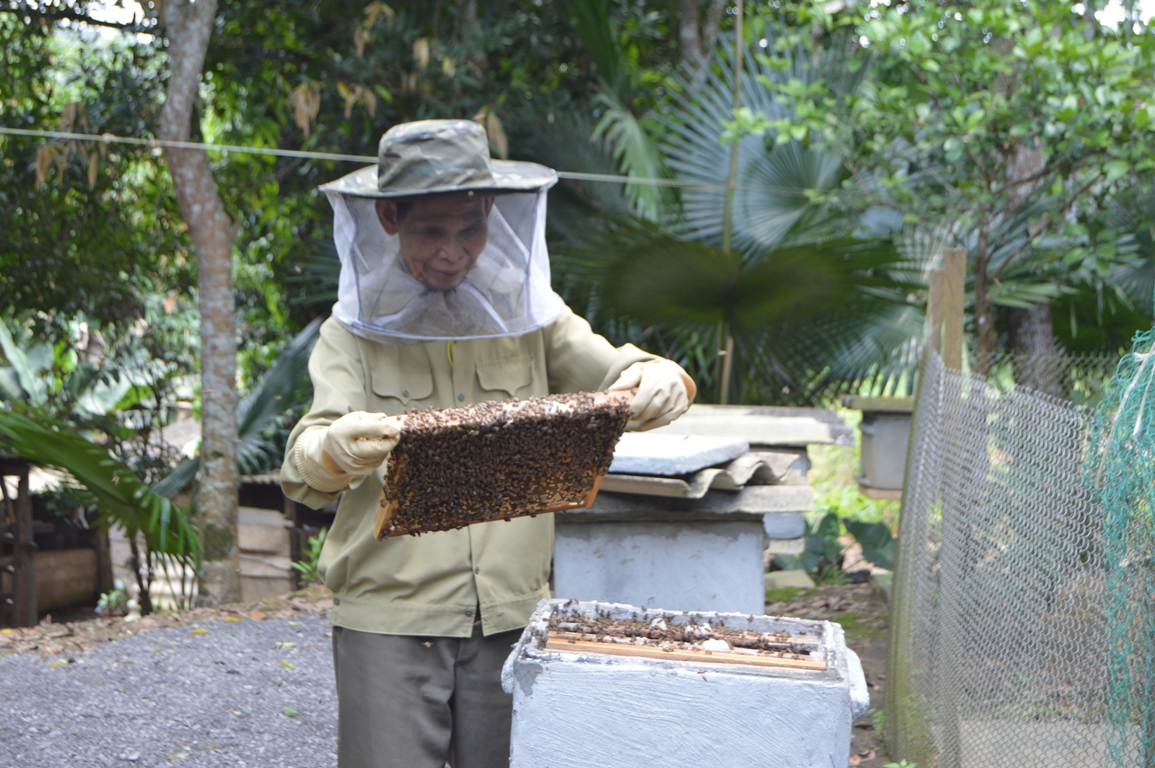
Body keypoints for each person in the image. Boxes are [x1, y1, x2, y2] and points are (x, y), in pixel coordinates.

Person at [279, 119, 695, 768]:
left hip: (511, 614)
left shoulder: (527, 310)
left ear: (493, 213)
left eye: (469, 228)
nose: (453, 250)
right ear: (388, 217)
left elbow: (615, 371)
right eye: (431, 231)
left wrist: (657, 375)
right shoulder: (352, 331)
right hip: (391, 619)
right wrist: (333, 449)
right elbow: (305, 466)